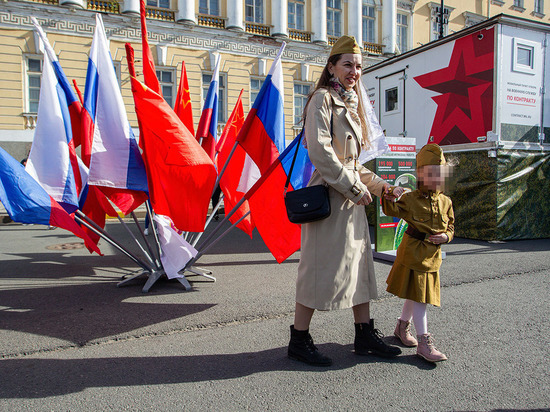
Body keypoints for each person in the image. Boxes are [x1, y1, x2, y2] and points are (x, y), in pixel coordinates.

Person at [288, 35, 402, 366]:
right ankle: (299, 339)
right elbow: (323, 154)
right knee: (317, 272)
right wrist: (354, 189)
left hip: (349, 202)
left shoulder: (350, 103)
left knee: (360, 270)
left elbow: (353, 163)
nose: (355, 71)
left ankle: (365, 334)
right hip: (329, 200)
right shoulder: (322, 100)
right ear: (332, 67)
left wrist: (383, 187)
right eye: (348, 64)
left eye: (359, 66)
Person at [381, 143, 455, 363]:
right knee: (420, 297)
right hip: (413, 257)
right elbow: (390, 208)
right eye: (430, 173)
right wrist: (391, 191)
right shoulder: (411, 198)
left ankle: (401, 327)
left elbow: (450, 226)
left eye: (439, 174)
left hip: (432, 259)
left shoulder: (446, 201)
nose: (435, 178)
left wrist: (446, 237)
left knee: (416, 294)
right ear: (421, 174)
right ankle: (424, 342)